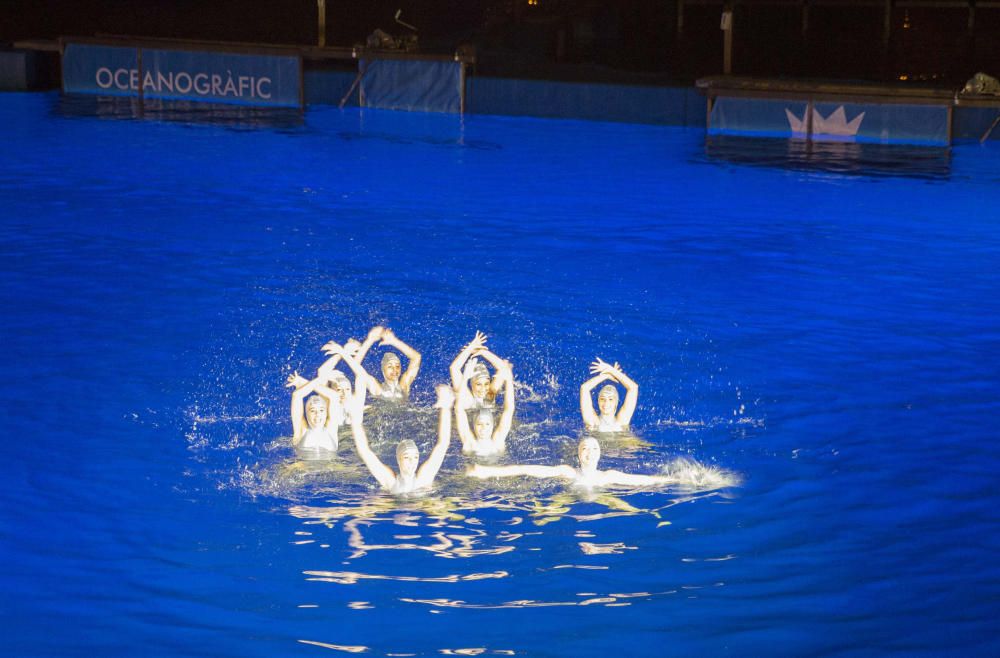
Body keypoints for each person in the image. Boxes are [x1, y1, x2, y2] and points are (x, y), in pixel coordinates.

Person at [349, 385, 455, 494]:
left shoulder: (425, 477)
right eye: (406, 457)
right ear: (398, 459)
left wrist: (446, 407)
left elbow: (443, 444)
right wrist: (355, 421)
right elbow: (364, 451)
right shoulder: (390, 481)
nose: (411, 461)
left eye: (415, 457)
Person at [467, 436, 675, 488]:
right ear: (578, 454)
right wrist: (487, 471)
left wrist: (677, 480)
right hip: (569, 504)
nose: (589, 452)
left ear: (600, 454)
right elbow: (526, 469)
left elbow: (643, 480)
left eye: (594, 448)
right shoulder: (568, 472)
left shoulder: (608, 476)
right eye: (584, 448)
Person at [328, 326, 421, 401]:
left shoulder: (404, 386)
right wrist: (369, 340)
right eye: (390, 366)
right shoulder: (376, 388)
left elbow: (417, 358)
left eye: (397, 366)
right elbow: (356, 365)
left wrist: (394, 341)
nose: (394, 370)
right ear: (383, 369)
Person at [454, 353, 515, 456]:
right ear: (473, 426)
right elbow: (458, 410)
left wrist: (509, 380)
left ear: (493, 425)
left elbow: (509, 409)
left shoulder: (498, 441)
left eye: (487, 424)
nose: (483, 428)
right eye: (479, 424)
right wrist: (464, 378)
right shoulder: (469, 443)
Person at [449, 331, 510, 411]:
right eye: (478, 384)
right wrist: (470, 348)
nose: (483, 388)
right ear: (472, 384)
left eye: (486, 384)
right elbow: (454, 368)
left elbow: (504, 369)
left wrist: (483, 352)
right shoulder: (465, 396)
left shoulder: (490, 393)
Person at [285, 372, 341, 458]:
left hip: (332, 469)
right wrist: (320, 378)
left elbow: (334, 396)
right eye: (312, 410)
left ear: (326, 413)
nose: (318, 414)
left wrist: (303, 381)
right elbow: (297, 395)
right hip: (303, 470)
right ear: (306, 414)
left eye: (321, 410)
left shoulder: (332, 429)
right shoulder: (301, 431)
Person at [579, 358, 638, 433]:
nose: (606, 403)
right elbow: (584, 388)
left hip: (623, 444)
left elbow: (633, 388)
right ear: (598, 401)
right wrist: (606, 375)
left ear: (616, 402)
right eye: (602, 399)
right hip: (595, 444)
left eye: (610, 399)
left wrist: (612, 370)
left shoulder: (622, 421)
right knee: (588, 443)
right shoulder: (592, 421)